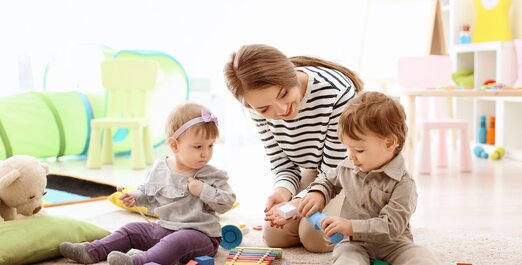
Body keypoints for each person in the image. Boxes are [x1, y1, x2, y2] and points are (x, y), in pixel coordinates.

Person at [223, 44, 363, 252]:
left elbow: (336, 168)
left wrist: (298, 202)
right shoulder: (256, 108)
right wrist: (283, 192)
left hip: (348, 171)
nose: (281, 110)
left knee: (316, 237)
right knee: (275, 235)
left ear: (291, 75)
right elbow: (283, 164)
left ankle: (366, 217)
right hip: (316, 170)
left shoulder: (336, 92)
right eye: (264, 108)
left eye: (283, 94)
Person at [59, 103, 236, 265]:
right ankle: (92, 251)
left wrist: (203, 190)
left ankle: (139, 262)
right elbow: (147, 194)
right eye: (198, 147)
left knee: (176, 242)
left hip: (200, 236)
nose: (206, 153)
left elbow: (227, 202)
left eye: (211, 146)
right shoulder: (160, 168)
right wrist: (135, 198)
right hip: (165, 228)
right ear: (174, 146)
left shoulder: (210, 174)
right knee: (131, 230)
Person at [298, 91, 439, 264]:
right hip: (353, 243)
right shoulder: (348, 167)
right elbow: (328, 180)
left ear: (389, 143)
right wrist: (318, 192)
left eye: (359, 150)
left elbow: (392, 226)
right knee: (346, 259)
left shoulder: (404, 183)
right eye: (347, 148)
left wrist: (351, 226)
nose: (351, 156)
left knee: (422, 258)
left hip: (394, 244)